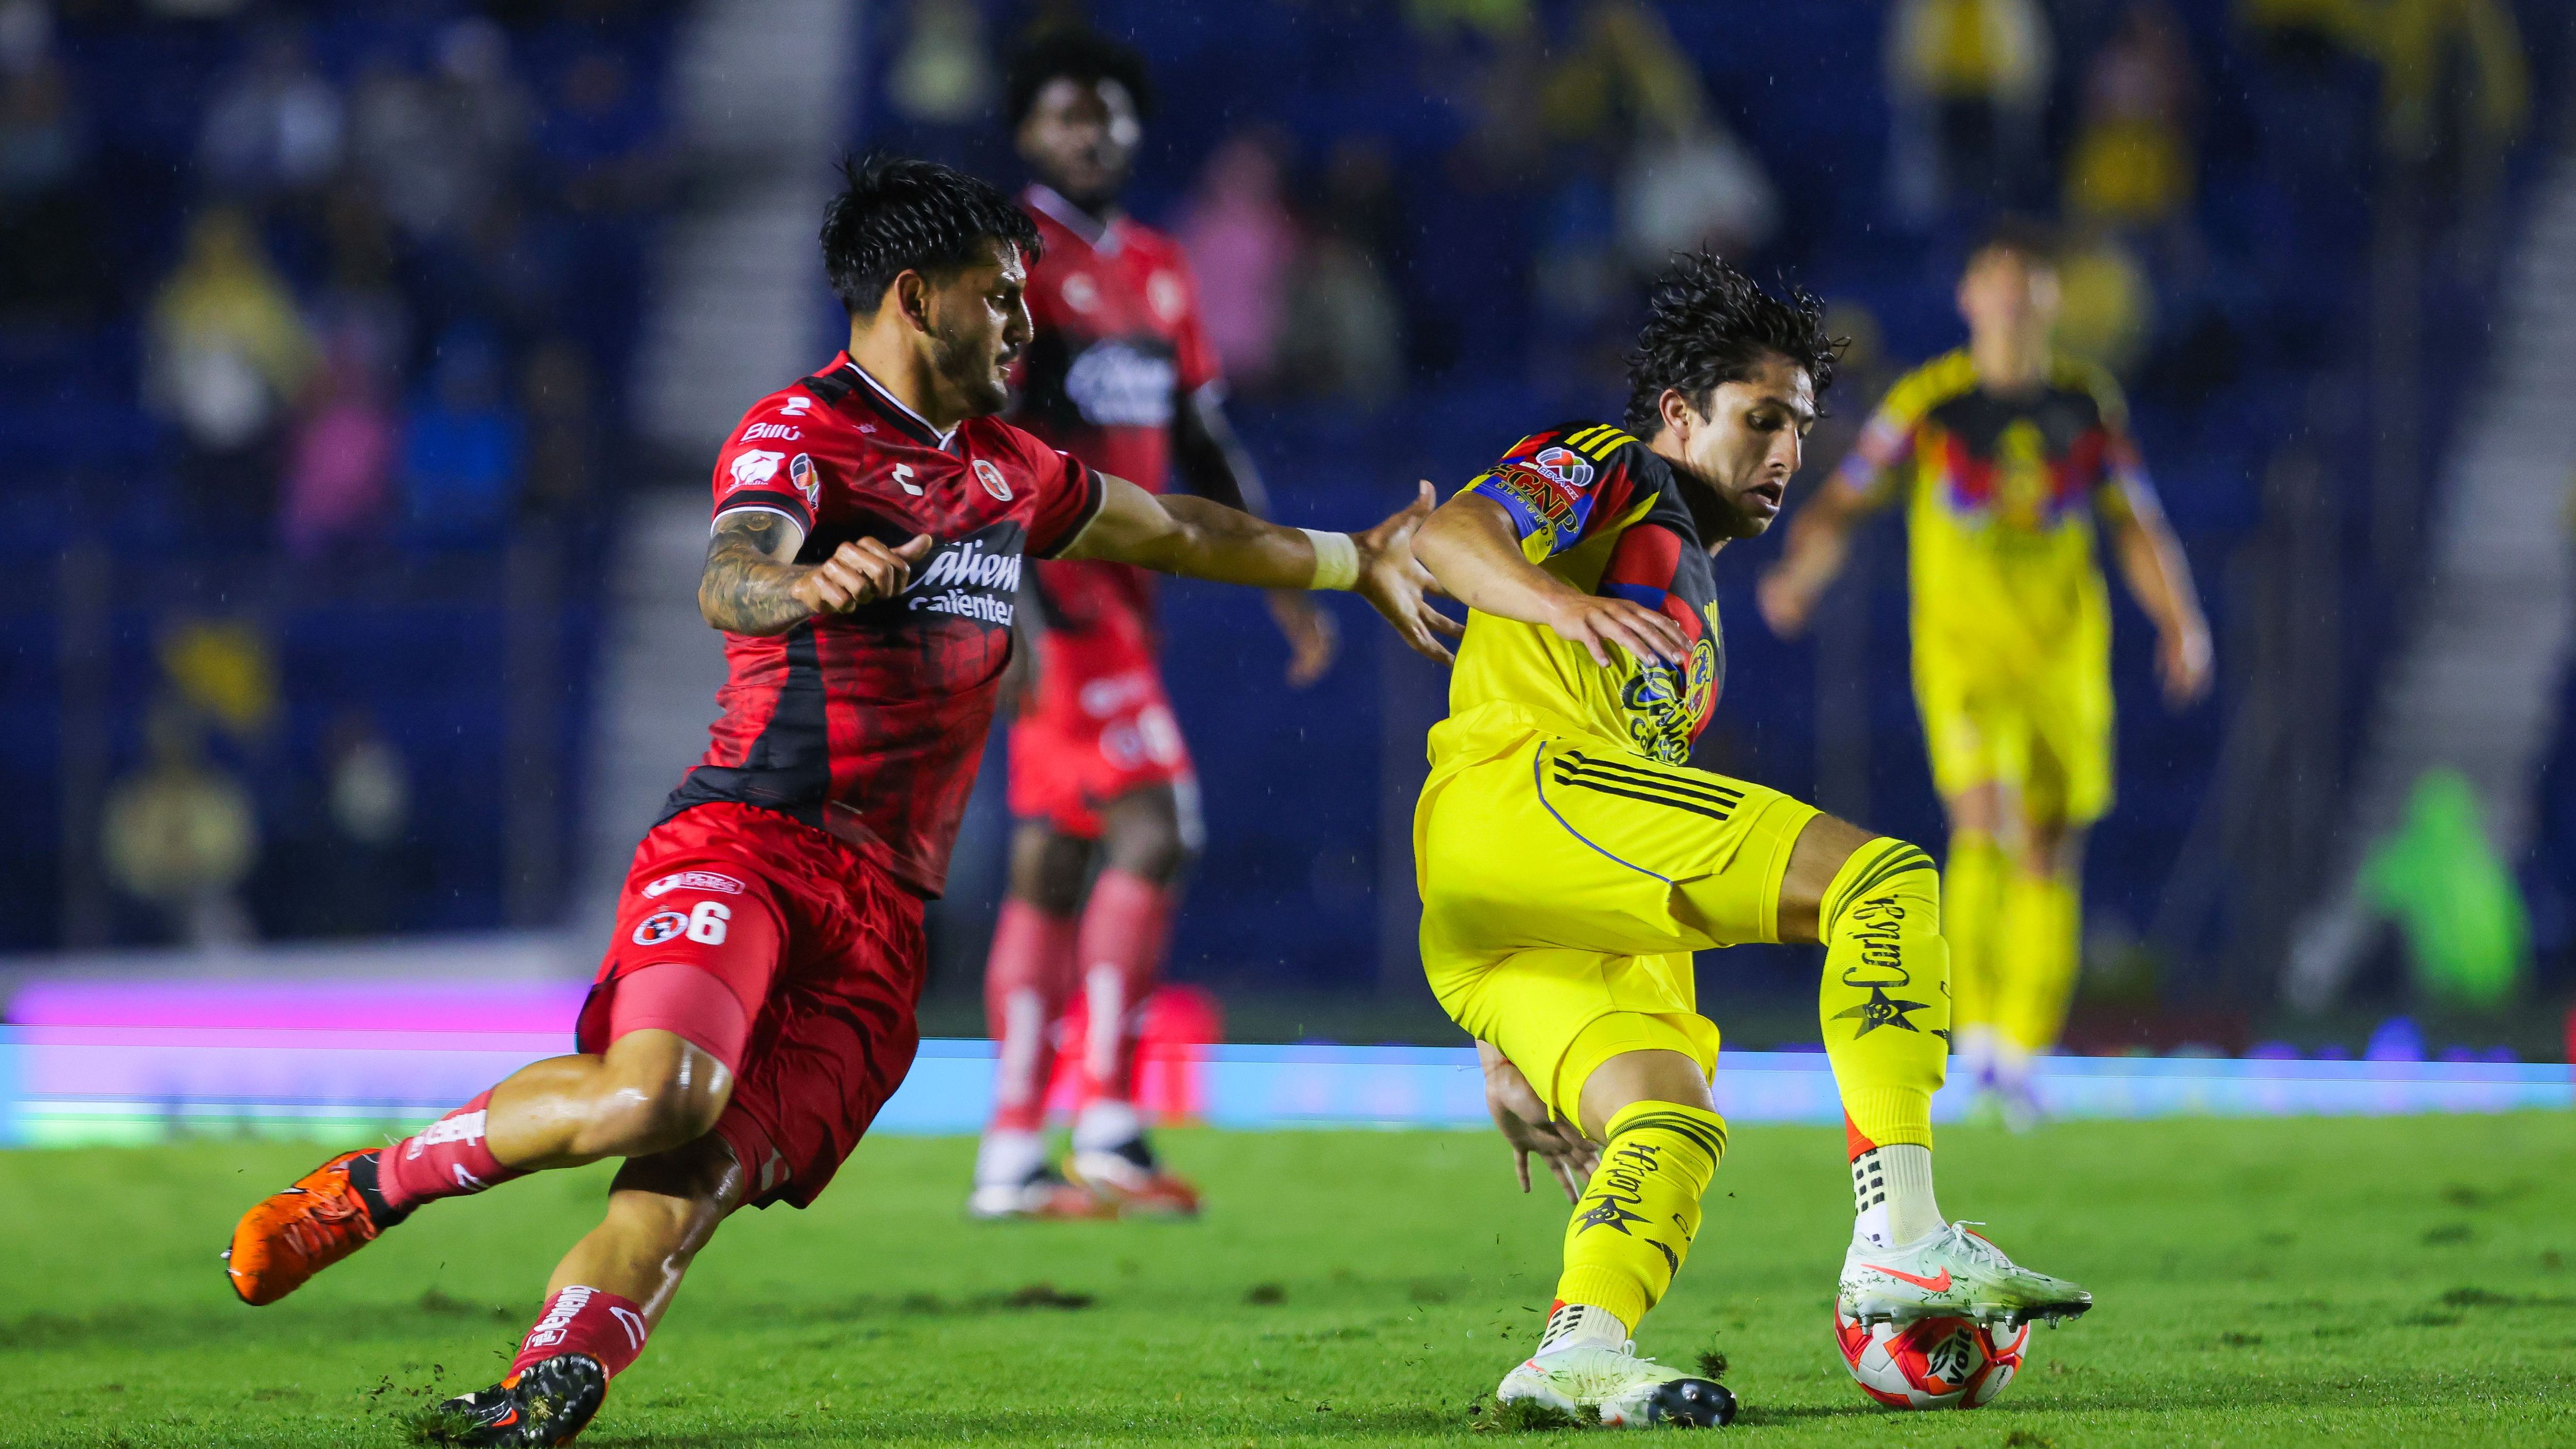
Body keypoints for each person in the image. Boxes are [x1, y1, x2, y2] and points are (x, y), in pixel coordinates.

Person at [221, 154, 1457, 1446]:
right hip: (751, 843)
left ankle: (547, 1384)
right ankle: (372, 1186)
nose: (1026, 325)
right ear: (918, 298)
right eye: (1002, 296)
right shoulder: (797, 434)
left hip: (887, 918)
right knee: (659, 1094)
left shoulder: (1011, 469)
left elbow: (1182, 531)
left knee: (696, 1180)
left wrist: (1349, 560)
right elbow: (731, 572)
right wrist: (800, 587)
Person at [1409, 248, 2092, 1427]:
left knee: (1667, 1114)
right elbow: (1450, 537)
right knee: (1882, 883)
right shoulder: (1614, 467)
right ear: (1681, 414)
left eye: (1803, 428)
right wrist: (1564, 602)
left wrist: (1500, 1038)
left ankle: (1577, 1352)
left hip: (1519, 893)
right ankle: (1904, 1236)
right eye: (1761, 419)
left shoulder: (1694, 599)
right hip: (1526, 791)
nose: (1786, 452)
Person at [968, 30, 1340, 1220]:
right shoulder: (1012, 265)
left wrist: (1282, 574)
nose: (1090, 134)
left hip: (1128, 600)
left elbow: (1203, 439)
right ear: (1028, 132)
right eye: (1067, 115)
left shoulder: (1158, 267)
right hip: (1060, 592)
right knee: (1159, 823)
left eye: (1109, 114)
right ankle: (1109, 1122)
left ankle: (1013, 1152)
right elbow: (985, 448)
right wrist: (1009, 609)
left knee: (1055, 856)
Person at [1758, 220, 2210, 1125]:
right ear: (1968, 298)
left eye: (2025, 282)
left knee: (2047, 845)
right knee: (1982, 819)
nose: (2009, 299)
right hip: (1965, 659)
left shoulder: (2085, 406)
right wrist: (1800, 575)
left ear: (2050, 299)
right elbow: (1847, 498)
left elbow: (2135, 521)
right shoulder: (1930, 405)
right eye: (1994, 281)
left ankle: (2024, 1048)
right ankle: (1977, 1041)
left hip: (2062, 660)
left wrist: (2181, 620)